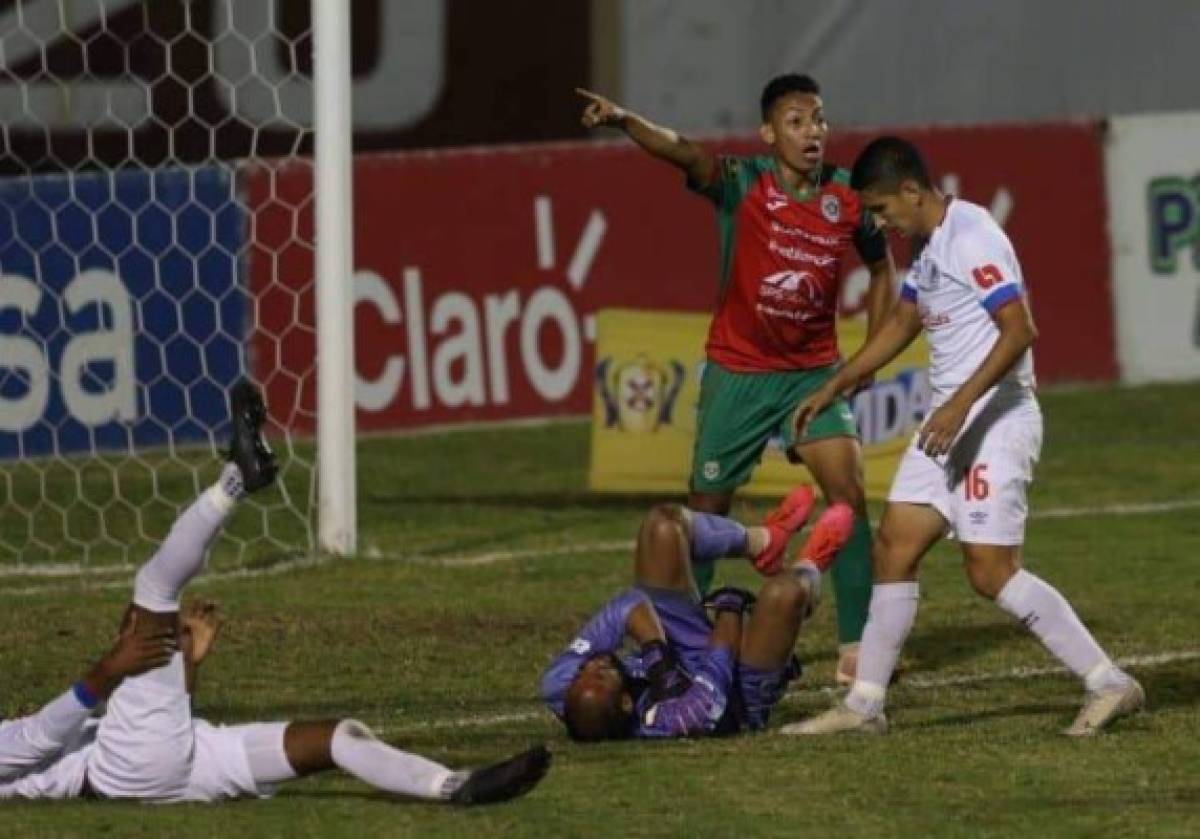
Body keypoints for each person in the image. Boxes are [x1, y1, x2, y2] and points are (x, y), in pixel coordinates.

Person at [0, 382, 550, 804]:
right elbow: (36, 743)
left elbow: (147, 739)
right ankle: (236, 479)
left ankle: (452, 786)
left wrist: (187, 667)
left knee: (333, 739)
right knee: (153, 588)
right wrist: (107, 670)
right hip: (119, 773)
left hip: (179, 761)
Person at [782, 137, 1145, 737]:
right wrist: (839, 382)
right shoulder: (927, 245)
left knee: (989, 570)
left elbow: (1019, 328)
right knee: (894, 543)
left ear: (910, 190)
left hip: (995, 419)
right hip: (951, 421)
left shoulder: (972, 236)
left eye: (880, 210)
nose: (879, 224)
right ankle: (864, 706)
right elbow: (904, 319)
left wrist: (958, 405)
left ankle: (1110, 682)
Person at [577, 74, 897, 683]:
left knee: (849, 495)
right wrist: (624, 118)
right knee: (704, 511)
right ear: (770, 133)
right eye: (798, 122)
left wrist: (867, 363)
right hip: (738, 375)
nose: (813, 132)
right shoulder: (743, 184)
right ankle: (689, 641)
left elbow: (883, 272)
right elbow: (683, 149)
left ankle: (857, 646)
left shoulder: (847, 197)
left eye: (820, 120)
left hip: (812, 376)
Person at [541, 485, 855, 740]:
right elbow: (720, 659)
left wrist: (658, 661)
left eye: (583, 672)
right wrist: (729, 605)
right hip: (736, 691)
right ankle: (813, 562)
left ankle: (764, 542)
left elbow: (630, 604)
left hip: (674, 649)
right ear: (626, 702)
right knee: (783, 593)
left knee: (662, 525)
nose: (592, 664)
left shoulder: (562, 688)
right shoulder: (679, 718)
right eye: (601, 674)